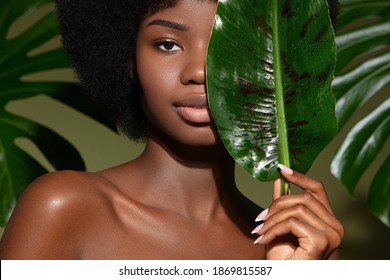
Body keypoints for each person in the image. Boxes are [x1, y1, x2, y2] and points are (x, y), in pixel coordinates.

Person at [0, 0, 343, 259]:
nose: (198, 71)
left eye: (229, 47)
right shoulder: (64, 207)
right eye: (167, 44)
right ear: (128, 59)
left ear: (272, 68)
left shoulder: (298, 241)